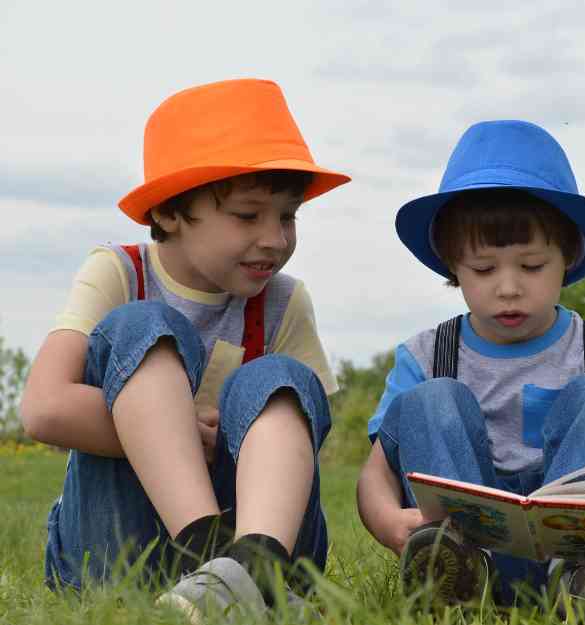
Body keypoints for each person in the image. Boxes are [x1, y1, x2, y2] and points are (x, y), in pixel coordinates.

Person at [20, 78, 350, 620]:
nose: (275, 238)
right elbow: (44, 408)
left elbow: (304, 429)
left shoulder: (285, 301)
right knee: (143, 325)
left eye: (288, 216)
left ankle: (255, 567)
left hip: (259, 529)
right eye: (248, 215)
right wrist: (171, 430)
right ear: (171, 212)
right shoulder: (119, 272)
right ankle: (210, 557)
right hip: (120, 548)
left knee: (279, 378)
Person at [356, 119, 585, 611]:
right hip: (466, 545)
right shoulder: (424, 356)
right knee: (432, 399)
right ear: (452, 264)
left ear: (567, 256)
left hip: (580, 550)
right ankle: (453, 577)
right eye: (484, 269)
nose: (508, 287)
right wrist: (387, 522)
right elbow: (376, 474)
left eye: (531, 266)